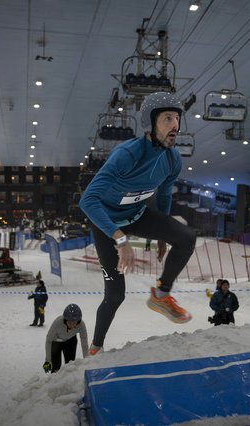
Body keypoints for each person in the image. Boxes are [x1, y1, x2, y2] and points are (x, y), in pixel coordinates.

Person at [79, 92, 197, 356]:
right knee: (115, 295)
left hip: (138, 214)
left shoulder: (172, 159)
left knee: (187, 237)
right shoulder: (126, 154)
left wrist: (164, 236)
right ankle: (96, 347)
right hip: (107, 224)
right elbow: (88, 202)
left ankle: (161, 295)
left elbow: (164, 195)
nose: (175, 126)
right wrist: (120, 239)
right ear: (151, 122)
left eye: (177, 119)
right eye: (168, 118)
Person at [43, 304, 88, 373]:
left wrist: (86, 359)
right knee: (56, 366)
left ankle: (68, 381)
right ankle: (54, 381)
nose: (72, 325)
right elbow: (49, 341)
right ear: (65, 320)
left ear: (78, 321)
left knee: (70, 365)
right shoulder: (58, 323)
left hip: (70, 341)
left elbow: (84, 341)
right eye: (69, 322)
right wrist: (47, 361)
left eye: (74, 322)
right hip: (56, 342)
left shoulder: (81, 325)